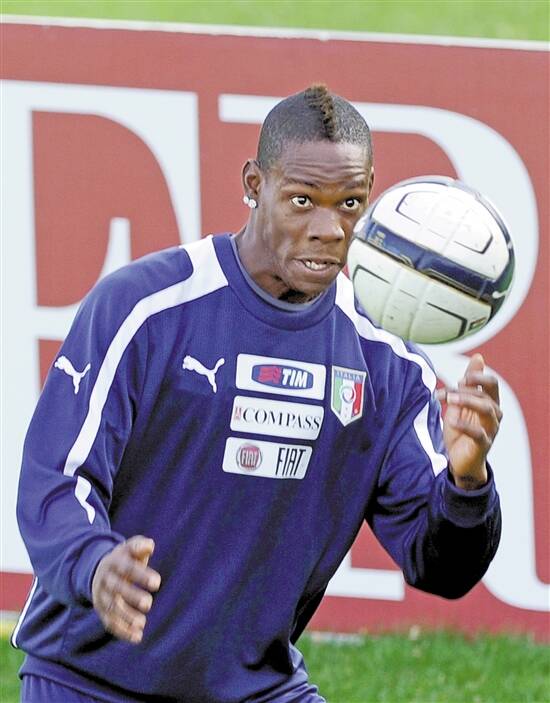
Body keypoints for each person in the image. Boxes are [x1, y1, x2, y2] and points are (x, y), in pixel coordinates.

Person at [13, 84, 502, 703]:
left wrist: (466, 481)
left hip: (255, 687)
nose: (329, 229)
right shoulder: (145, 307)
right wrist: (94, 564)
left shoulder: (386, 362)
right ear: (254, 184)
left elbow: (442, 569)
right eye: (302, 200)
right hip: (88, 681)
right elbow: (55, 480)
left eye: (350, 203)